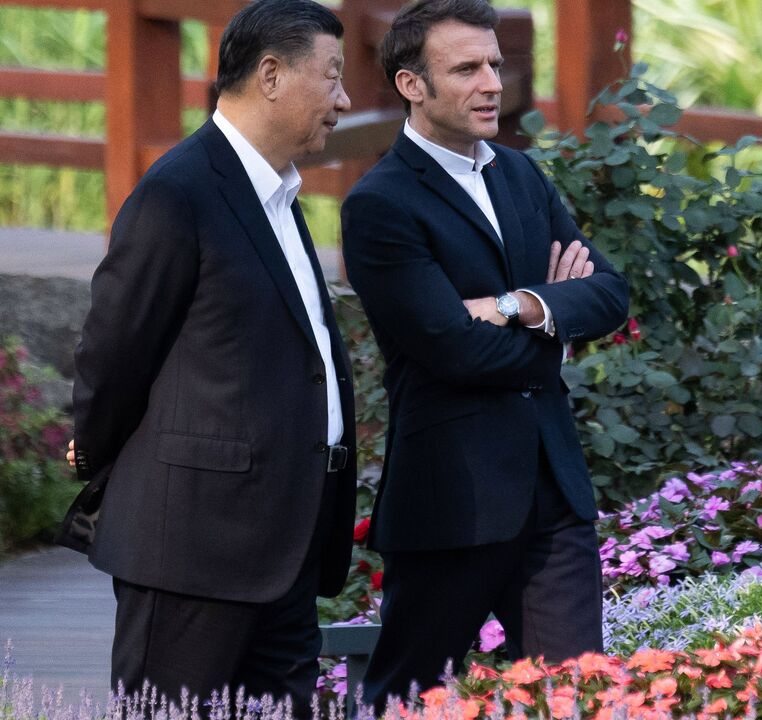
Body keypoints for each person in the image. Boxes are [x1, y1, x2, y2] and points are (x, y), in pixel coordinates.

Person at [59, 0, 357, 708]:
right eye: (334, 77)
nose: (345, 100)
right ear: (273, 75)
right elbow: (112, 356)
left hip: (284, 548)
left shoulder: (280, 197)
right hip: (191, 548)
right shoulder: (177, 194)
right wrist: (99, 457)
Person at [339, 0, 629, 707]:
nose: (491, 83)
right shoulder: (380, 204)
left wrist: (518, 306)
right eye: (466, 68)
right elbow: (449, 350)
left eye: (495, 64)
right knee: (404, 697)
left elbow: (610, 294)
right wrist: (556, 338)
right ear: (413, 84)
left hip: (553, 495)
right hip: (451, 500)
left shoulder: (520, 176)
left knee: (575, 699)